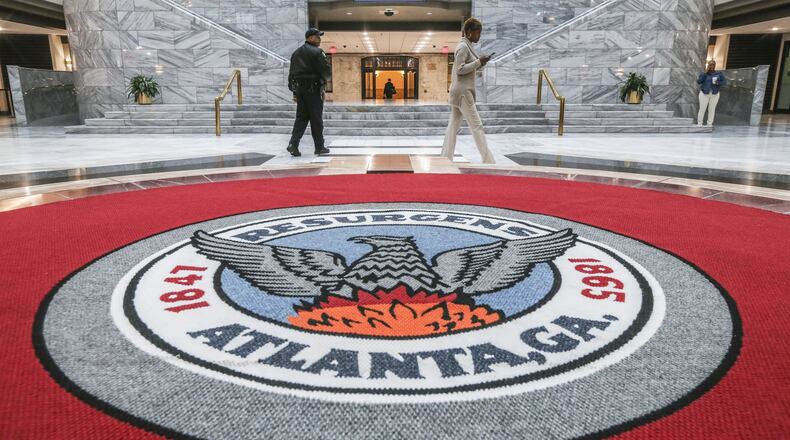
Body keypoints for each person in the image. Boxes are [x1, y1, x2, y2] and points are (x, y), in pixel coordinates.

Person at [442, 18, 495, 164]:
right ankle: (489, 161)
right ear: (470, 32)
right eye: (478, 32)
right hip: (463, 94)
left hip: (459, 93)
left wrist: (481, 63)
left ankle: (444, 158)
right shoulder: (463, 47)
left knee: (453, 126)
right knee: (477, 126)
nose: (479, 36)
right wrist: (478, 62)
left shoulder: (467, 46)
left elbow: (468, 68)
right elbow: (460, 69)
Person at [286, 28, 332, 157]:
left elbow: (291, 74)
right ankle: (319, 147)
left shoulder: (296, 53)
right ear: (310, 37)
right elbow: (326, 72)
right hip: (313, 90)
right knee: (316, 119)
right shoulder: (317, 52)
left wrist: (294, 91)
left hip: (300, 90)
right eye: (318, 37)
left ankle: (293, 144)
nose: (319, 39)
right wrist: (326, 79)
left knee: (301, 118)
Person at [697, 60, 726, 127]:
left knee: (712, 109)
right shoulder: (704, 73)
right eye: (710, 64)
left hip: (715, 94)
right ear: (708, 65)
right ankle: (699, 123)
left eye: (713, 64)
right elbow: (699, 82)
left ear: (715, 65)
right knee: (702, 108)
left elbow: (724, 82)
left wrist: (718, 83)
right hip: (704, 93)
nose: (712, 66)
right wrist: (705, 74)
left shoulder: (719, 74)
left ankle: (709, 124)